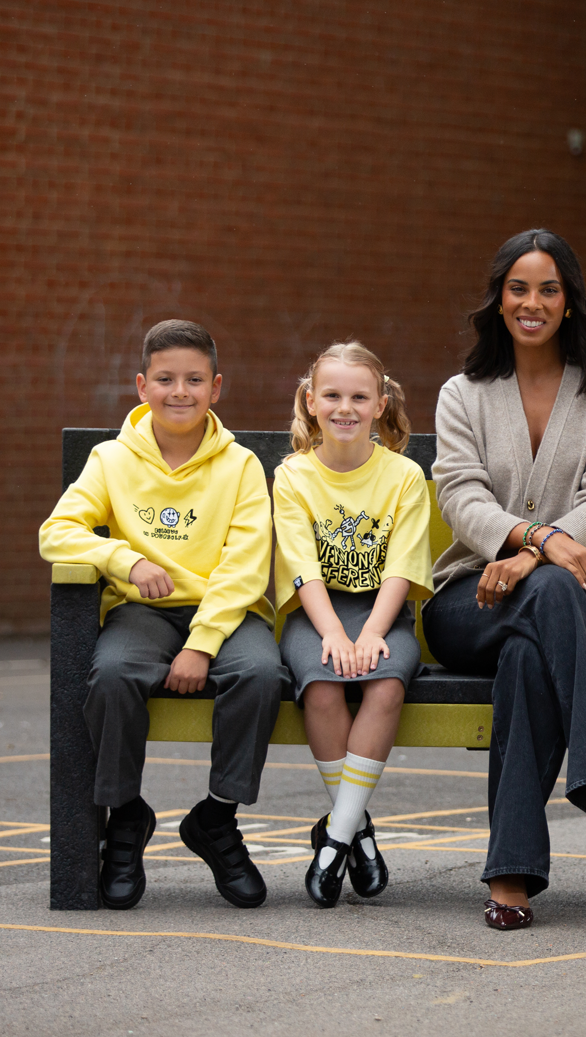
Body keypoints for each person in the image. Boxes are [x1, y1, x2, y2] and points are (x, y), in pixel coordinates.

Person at [420, 228, 586, 930]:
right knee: (545, 600)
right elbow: (461, 496)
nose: (533, 303)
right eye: (519, 289)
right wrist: (538, 538)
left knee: (533, 648)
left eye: (548, 289)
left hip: (583, 605)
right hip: (471, 603)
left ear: (569, 300)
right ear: (499, 299)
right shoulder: (463, 394)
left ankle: (510, 874)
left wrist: (536, 554)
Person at [39, 319, 289, 909]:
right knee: (112, 674)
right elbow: (57, 531)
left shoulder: (241, 466)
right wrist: (123, 559)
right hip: (143, 612)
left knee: (261, 675)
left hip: (226, 612)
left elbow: (245, 566)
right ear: (142, 385)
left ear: (216, 388)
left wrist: (201, 644)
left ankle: (217, 818)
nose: (180, 391)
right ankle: (126, 816)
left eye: (195, 380)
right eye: (166, 379)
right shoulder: (110, 459)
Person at [274, 342, 433, 909]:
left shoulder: (404, 475)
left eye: (360, 397)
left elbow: (402, 568)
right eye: (333, 395)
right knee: (321, 687)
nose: (346, 408)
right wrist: (334, 635)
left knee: (386, 684)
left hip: (382, 611)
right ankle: (358, 830)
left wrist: (370, 634)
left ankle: (335, 838)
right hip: (316, 613)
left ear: (380, 404)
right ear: (310, 401)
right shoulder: (293, 476)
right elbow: (302, 568)